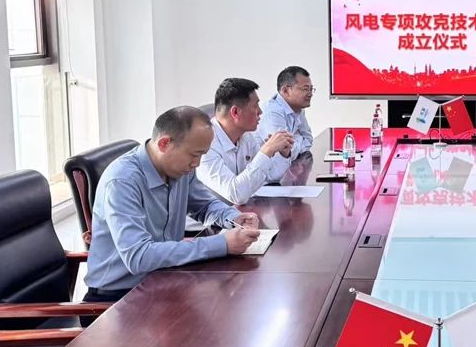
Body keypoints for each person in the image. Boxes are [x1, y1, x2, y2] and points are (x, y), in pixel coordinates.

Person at [85, 106, 262, 302]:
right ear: (164, 144)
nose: (197, 163)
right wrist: (222, 244)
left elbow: (204, 205)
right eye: (194, 155)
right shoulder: (122, 181)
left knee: (237, 299)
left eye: (202, 155)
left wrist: (233, 217)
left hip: (164, 277)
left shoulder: (180, 169)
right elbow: (139, 257)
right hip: (119, 297)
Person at [196, 78, 294, 205]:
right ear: (235, 112)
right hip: (210, 216)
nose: (260, 112)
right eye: (255, 106)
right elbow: (236, 194)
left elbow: (270, 176)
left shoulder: (246, 136)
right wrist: (266, 151)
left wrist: (283, 154)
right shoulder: (204, 145)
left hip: (238, 213)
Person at [257, 66, 315, 160]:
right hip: (267, 168)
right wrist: (298, 139)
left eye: (311, 89)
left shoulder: (298, 109)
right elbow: (282, 152)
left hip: (287, 166)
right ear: (286, 91)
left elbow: (308, 140)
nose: (310, 93)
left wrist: (294, 143)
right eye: (305, 89)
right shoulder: (272, 112)